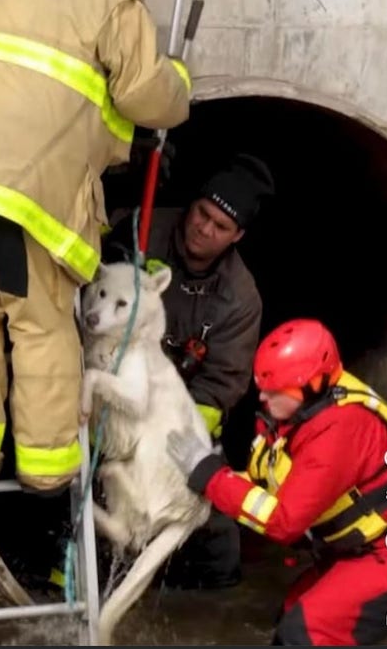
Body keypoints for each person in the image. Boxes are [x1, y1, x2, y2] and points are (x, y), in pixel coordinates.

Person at [0, 0, 193, 501]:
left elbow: (55, 96)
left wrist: (124, 136)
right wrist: (179, 83)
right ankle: (48, 471)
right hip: (21, 195)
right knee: (41, 325)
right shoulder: (114, 5)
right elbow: (146, 92)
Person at [166, 319, 387, 645]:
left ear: (310, 385)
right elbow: (268, 483)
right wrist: (214, 476)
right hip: (359, 545)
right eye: (262, 385)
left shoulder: (340, 428)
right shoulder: (299, 409)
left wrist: (211, 477)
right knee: (289, 617)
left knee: (304, 634)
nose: (262, 396)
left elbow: (283, 521)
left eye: (274, 390)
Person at [101, 153, 274, 588]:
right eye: (203, 213)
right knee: (68, 489)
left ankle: (164, 583)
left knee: (220, 551)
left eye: (220, 227)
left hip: (173, 417)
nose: (204, 228)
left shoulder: (240, 298)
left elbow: (221, 385)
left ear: (238, 236)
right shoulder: (138, 233)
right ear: (192, 204)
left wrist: (171, 447)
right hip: (107, 393)